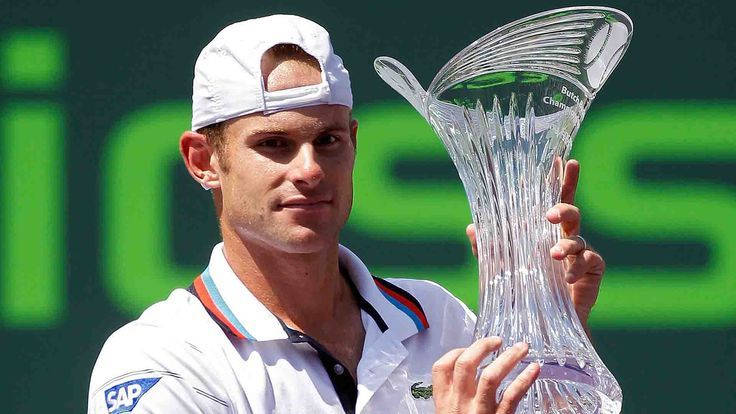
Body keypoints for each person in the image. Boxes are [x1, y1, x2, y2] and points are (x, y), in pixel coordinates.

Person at [87, 15, 605, 414]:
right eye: (274, 144)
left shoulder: (441, 318)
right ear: (204, 161)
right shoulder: (162, 361)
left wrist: (554, 332)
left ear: (353, 144)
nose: (310, 169)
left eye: (328, 140)